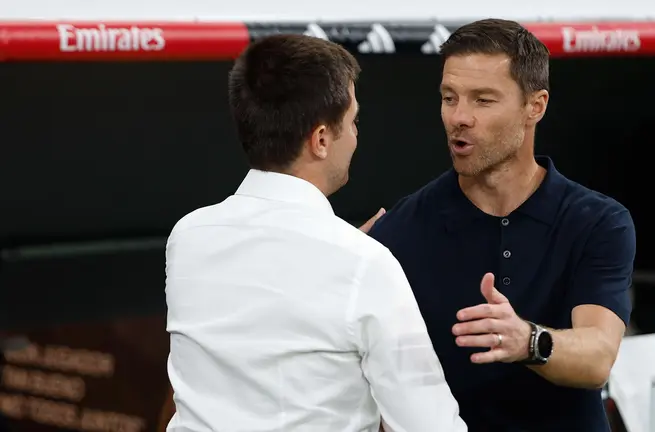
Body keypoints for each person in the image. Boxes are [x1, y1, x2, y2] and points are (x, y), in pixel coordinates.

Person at [164, 35, 466, 432]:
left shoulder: (187, 237)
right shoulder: (364, 264)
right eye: (353, 121)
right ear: (321, 140)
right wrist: (352, 261)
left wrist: (344, 256)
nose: (356, 136)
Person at [368, 19, 635, 431]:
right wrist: (346, 258)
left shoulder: (598, 222)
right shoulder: (401, 230)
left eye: (483, 100)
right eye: (449, 98)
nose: (459, 117)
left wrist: (526, 340)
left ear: (535, 106)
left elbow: (598, 356)